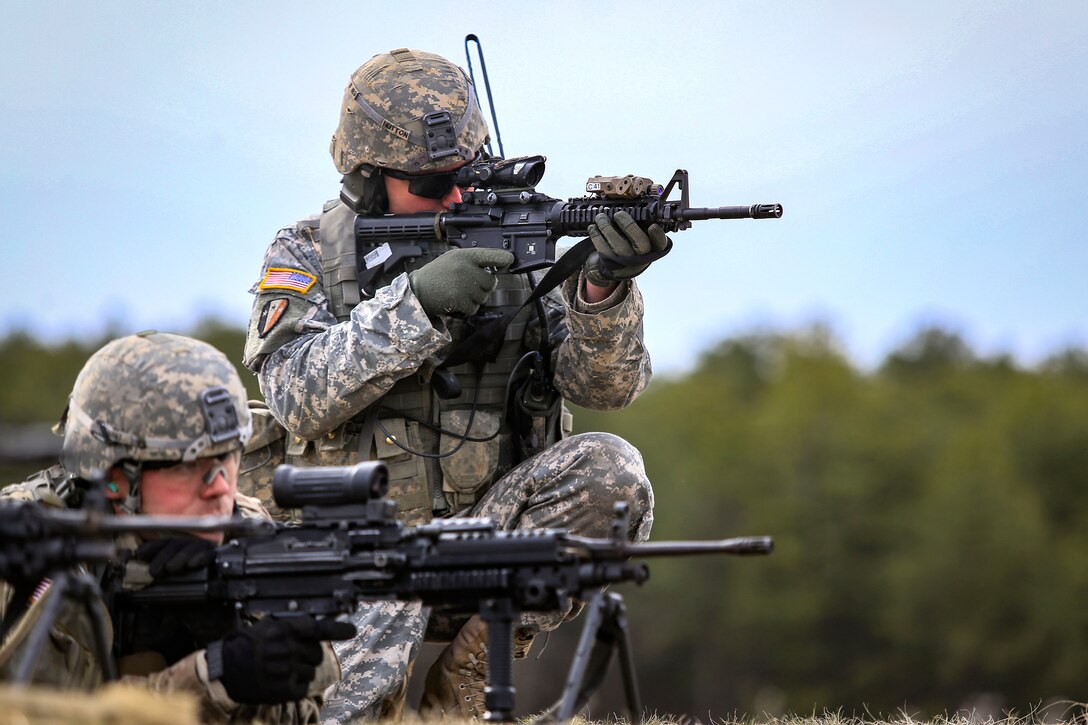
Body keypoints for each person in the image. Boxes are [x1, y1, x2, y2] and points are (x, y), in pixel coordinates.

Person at [241, 47, 665, 720]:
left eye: (468, 174)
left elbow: (604, 388)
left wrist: (602, 285)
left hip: (481, 541)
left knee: (612, 472)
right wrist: (417, 305)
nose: (460, 196)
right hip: (354, 556)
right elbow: (294, 393)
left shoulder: (516, 244)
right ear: (368, 179)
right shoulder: (309, 252)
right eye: (434, 186)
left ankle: (467, 675)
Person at [0, 332, 354, 724]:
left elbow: (301, 714)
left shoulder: (243, 530)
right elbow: (40, 715)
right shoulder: (26, 547)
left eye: (229, 457)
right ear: (116, 478)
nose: (221, 486)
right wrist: (213, 676)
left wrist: (224, 628)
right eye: (188, 465)